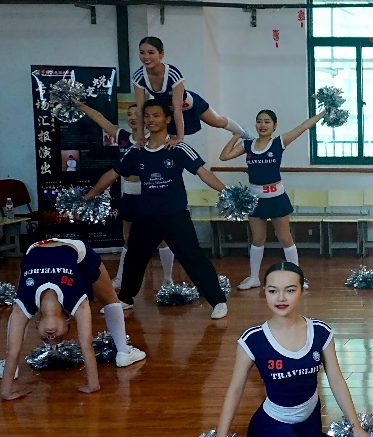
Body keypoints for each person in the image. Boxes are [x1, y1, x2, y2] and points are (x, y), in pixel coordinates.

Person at [211, 262, 369, 437]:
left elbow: (336, 380)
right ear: (264, 292)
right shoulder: (253, 339)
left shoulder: (320, 332)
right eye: (273, 291)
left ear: (303, 291)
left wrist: (356, 427)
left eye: (290, 290)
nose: (281, 298)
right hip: (273, 423)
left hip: (310, 423)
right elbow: (235, 390)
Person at [83, 100, 232, 319]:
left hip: (175, 215)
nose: (151, 120)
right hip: (146, 215)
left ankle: (218, 300)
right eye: (147, 116)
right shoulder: (137, 150)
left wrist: (228, 192)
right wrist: (91, 194)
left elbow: (203, 173)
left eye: (156, 115)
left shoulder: (178, 148)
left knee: (193, 258)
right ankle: (125, 298)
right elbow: (113, 174)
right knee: (134, 257)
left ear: (167, 119)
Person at [0, 238, 146, 401]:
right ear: (68, 321)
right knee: (110, 298)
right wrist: (93, 384)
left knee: (19, 310)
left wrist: (6, 391)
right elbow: (86, 344)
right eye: (58, 338)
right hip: (77, 250)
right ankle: (123, 352)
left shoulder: (24, 304)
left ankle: (123, 351)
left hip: (36, 247)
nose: (51, 337)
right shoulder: (77, 301)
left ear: (37, 324)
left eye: (46, 339)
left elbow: (12, 351)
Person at [219, 108, 325, 290]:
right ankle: (254, 278)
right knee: (258, 239)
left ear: (274, 125)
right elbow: (224, 156)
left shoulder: (279, 142)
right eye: (259, 121)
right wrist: (237, 135)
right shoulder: (247, 145)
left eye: (267, 122)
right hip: (254, 198)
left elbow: (303, 127)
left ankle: (297, 278)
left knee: (285, 238)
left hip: (276, 197)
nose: (262, 125)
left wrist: (322, 113)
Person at [76, 100, 176, 287]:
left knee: (161, 238)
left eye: (136, 114)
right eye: (129, 114)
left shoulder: (155, 137)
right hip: (129, 192)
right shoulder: (122, 136)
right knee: (128, 238)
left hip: (150, 192)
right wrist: (81, 106)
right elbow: (99, 118)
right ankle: (121, 278)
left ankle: (168, 279)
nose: (132, 118)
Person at [131, 36, 251, 146]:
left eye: (151, 53)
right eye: (142, 53)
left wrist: (180, 138)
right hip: (168, 109)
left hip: (188, 104)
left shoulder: (172, 74)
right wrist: (140, 137)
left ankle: (244, 134)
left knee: (217, 121)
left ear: (161, 54)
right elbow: (140, 110)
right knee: (167, 136)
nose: (146, 57)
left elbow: (177, 109)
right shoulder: (139, 77)